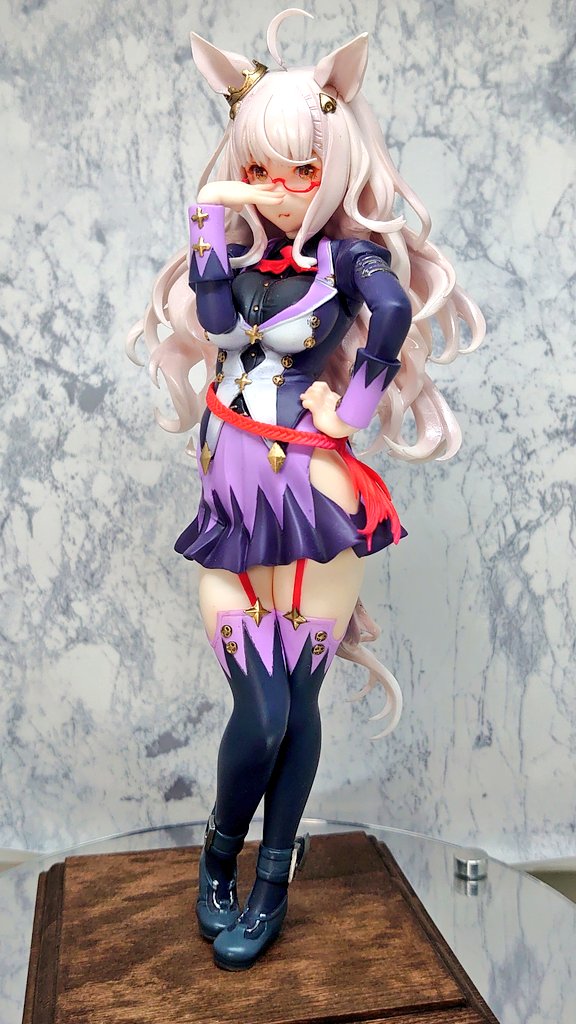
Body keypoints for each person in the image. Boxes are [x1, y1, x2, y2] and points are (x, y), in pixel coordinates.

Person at [127, 10, 484, 971]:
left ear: (334, 161)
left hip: (315, 509)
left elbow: (395, 310)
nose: (283, 192)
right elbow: (211, 318)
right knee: (263, 714)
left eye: (302, 170)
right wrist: (215, 201)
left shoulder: (347, 261)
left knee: (298, 705)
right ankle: (216, 860)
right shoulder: (239, 264)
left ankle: (270, 883)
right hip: (230, 515)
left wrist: (351, 406)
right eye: (265, 168)